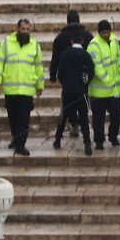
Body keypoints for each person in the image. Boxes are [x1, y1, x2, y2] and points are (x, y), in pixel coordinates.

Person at [0, 17, 44, 155]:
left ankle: (21, 144)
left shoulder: (34, 45)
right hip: (10, 89)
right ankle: (16, 138)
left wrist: (40, 85)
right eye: (23, 29)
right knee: (13, 118)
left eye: (28, 30)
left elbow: (39, 67)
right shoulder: (6, 43)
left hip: (27, 90)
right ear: (17, 29)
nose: (25, 32)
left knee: (23, 118)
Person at [52, 25, 94, 154]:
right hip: (81, 91)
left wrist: (65, 83)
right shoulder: (86, 55)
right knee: (83, 116)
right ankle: (87, 144)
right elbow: (91, 72)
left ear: (71, 41)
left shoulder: (65, 54)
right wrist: (84, 84)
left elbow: (60, 73)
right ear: (82, 41)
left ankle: (58, 139)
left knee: (64, 115)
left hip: (68, 90)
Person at [87, 18, 120, 152]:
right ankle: (99, 140)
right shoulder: (93, 46)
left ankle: (113, 136)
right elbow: (98, 68)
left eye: (108, 32)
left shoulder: (114, 40)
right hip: (100, 91)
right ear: (99, 33)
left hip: (115, 89)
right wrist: (109, 81)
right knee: (98, 119)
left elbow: (117, 60)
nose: (106, 35)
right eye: (103, 33)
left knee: (116, 116)